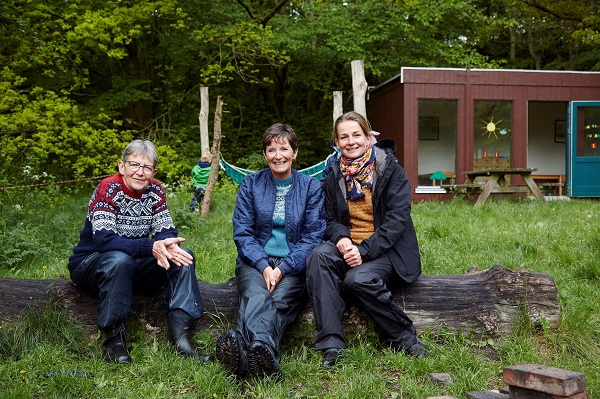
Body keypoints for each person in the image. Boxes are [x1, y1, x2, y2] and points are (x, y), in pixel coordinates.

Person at [67, 139, 213, 364]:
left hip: (130, 265)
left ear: (153, 172)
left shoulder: (155, 190)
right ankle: (113, 341)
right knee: (118, 260)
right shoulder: (108, 188)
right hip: (91, 264)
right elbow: (104, 241)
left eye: (146, 167)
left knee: (183, 257)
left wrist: (168, 245)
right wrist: (150, 246)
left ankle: (180, 337)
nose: (140, 172)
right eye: (134, 165)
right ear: (121, 166)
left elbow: (165, 230)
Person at [306, 111, 427, 368]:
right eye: (343, 137)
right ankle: (331, 344)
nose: (351, 141)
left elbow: (397, 221)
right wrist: (341, 239)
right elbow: (329, 220)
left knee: (356, 280)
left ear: (368, 137)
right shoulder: (333, 177)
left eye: (356, 135)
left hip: (387, 251)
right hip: (351, 248)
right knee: (318, 256)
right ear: (336, 143)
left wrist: (363, 251)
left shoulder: (390, 170)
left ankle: (404, 338)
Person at [215, 123, 326, 378]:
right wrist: (264, 265)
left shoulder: (311, 187)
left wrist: (283, 268)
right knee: (257, 294)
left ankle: (242, 350)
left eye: (284, 148)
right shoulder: (250, 185)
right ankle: (264, 355)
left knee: (279, 300)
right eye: (272, 149)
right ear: (265, 154)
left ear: (294, 152)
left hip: (294, 263)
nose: (278, 155)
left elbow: (313, 235)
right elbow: (242, 232)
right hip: (254, 261)